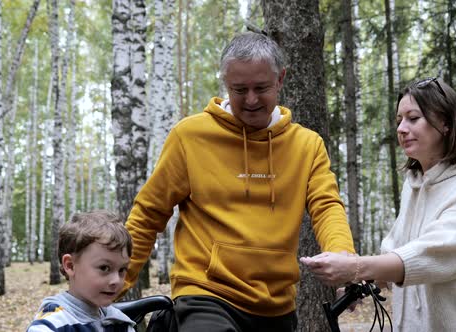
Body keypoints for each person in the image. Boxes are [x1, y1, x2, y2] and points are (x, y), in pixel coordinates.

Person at [119, 32, 355, 332]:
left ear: (280, 79)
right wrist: (113, 284)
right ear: (225, 83)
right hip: (205, 292)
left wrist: (344, 258)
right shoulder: (190, 136)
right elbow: (147, 215)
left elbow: (327, 207)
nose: (251, 100)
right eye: (239, 89)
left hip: (277, 304)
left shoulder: (307, 145)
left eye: (261, 87)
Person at [300, 77, 456, 331]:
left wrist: (356, 268)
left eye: (413, 118)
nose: (402, 128)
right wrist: (357, 286)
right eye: (399, 121)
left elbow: (428, 257)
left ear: (446, 123)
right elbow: (396, 249)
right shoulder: (414, 185)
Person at [27, 211, 135, 332]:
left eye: (122, 270)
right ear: (70, 266)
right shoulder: (54, 323)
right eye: (104, 268)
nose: (116, 280)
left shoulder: (118, 321)